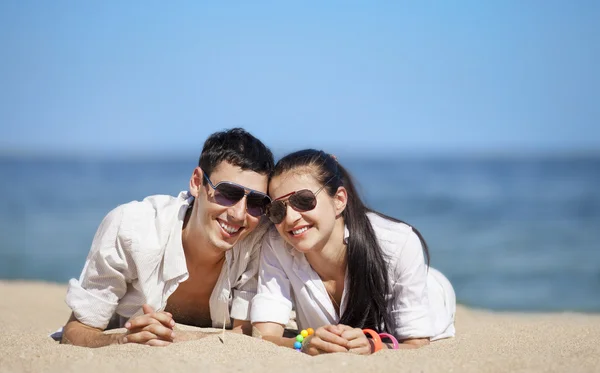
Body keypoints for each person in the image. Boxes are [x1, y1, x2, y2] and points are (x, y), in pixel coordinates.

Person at [60, 128, 274, 347]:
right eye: (228, 193)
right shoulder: (132, 228)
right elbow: (77, 330)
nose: (239, 214)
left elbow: (246, 334)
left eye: (256, 202)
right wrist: (124, 339)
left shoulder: (257, 239)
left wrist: (178, 338)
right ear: (196, 182)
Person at [251, 149, 456, 355]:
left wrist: (373, 345)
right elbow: (264, 337)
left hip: (431, 291)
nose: (290, 218)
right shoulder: (277, 244)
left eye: (303, 200)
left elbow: (416, 344)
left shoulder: (398, 242)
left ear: (339, 200)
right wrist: (303, 344)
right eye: (278, 210)